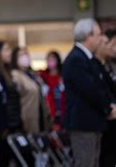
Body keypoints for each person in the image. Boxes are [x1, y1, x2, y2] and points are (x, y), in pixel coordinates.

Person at [62, 18, 116, 167]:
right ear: (88, 36)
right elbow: (90, 90)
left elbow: (100, 86)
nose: (100, 40)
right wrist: (108, 108)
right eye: (98, 35)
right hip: (83, 124)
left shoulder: (86, 58)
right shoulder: (76, 59)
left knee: (93, 162)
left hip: (92, 122)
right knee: (85, 163)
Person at [10, 47, 50, 133]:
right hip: (27, 121)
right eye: (21, 55)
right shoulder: (15, 75)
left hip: (41, 118)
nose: (25, 57)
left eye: (26, 54)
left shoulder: (33, 74)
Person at [93, 31, 116, 167]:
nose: (112, 47)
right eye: (109, 43)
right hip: (106, 120)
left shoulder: (108, 66)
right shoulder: (97, 66)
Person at [39, 51, 65, 130]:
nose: (50, 62)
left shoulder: (63, 76)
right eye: (48, 59)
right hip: (50, 111)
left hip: (63, 111)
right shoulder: (43, 76)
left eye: (52, 59)